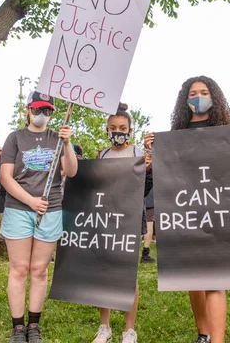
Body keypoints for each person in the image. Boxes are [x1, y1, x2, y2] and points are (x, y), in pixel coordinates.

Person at [144, 76, 230, 343]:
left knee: (215, 279)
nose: (198, 96)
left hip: (218, 211)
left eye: (204, 91)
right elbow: (169, 174)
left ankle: (217, 340)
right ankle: (203, 334)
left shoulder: (229, 130)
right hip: (188, 213)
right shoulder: (175, 135)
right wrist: (151, 151)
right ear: (185, 100)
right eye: (193, 92)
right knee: (192, 279)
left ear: (214, 96)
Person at [0, 91, 77, 343]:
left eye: (47, 111)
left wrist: (67, 144)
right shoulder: (15, 138)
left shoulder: (57, 138)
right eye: (38, 109)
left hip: (51, 209)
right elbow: (5, 178)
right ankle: (18, 328)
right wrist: (31, 201)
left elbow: (71, 171)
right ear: (28, 109)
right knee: (20, 269)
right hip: (19, 209)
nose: (42, 115)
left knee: (40, 270)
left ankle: (34, 326)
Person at [92, 103, 151, 343]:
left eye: (123, 127)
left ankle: (129, 329)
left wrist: (149, 168)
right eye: (113, 127)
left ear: (130, 129)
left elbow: (147, 189)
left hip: (130, 219)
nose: (118, 131)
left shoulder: (140, 154)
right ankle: (104, 327)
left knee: (128, 274)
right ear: (107, 129)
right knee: (103, 271)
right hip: (105, 218)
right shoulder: (102, 155)